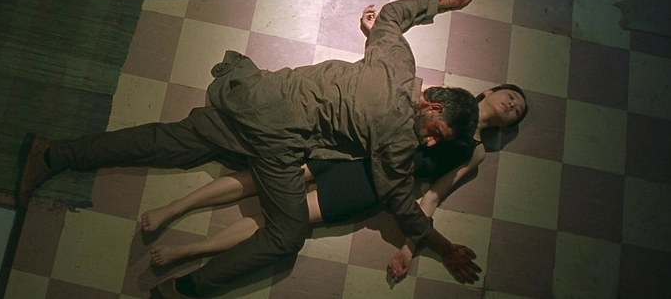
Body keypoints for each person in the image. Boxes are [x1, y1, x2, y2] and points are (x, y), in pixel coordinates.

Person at [15, 0, 482, 297]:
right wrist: (445, 249)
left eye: (438, 142)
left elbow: (392, 16)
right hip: (276, 140)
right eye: (437, 133)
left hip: (256, 96)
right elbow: (402, 204)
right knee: (287, 235)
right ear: (431, 106)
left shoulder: (397, 61)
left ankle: (53, 154)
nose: (430, 143)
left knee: (168, 142)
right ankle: (185, 290)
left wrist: (440, 2)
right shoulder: (398, 138)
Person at [140, 82, 527, 278]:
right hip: (355, 147)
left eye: (517, 111)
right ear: (491, 90)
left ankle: (187, 252)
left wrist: (410, 249)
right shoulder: (452, 98)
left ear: (506, 126)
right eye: (511, 96)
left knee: (281, 218)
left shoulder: (475, 151)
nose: (512, 104)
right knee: (262, 177)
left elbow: (432, 197)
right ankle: (174, 208)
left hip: (372, 185)